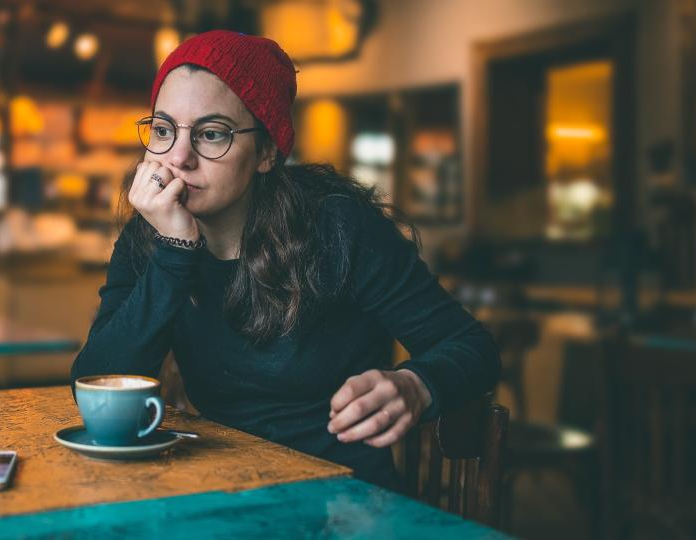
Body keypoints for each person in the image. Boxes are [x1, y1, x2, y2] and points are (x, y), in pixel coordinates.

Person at [71, 30, 500, 490]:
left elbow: (472, 346)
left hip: (343, 500)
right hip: (222, 495)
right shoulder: (150, 234)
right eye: (162, 130)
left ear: (267, 152)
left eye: (212, 133)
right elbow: (95, 384)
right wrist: (174, 252)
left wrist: (417, 386)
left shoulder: (337, 227)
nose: (178, 158)